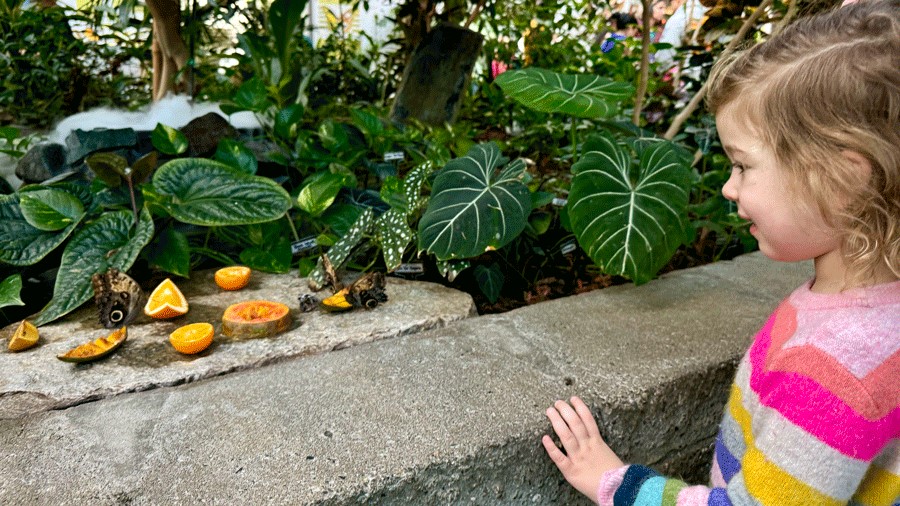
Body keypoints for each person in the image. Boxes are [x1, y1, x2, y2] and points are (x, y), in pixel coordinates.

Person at [542, 1, 899, 504]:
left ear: (842, 178)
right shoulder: (872, 311)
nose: (729, 188)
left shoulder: (836, 373)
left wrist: (616, 483)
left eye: (743, 167)